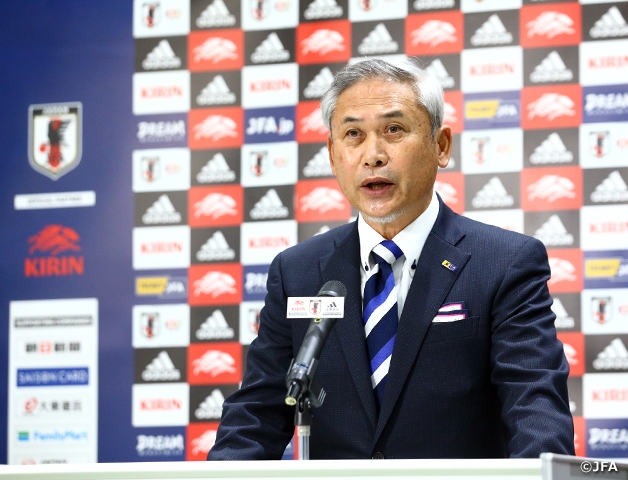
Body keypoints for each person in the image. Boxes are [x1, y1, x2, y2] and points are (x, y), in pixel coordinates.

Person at [208, 58, 574, 460]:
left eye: (394, 130)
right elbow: (255, 417)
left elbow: (535, 410)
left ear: (441, 146)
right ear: (332, 154)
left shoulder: (503, 263)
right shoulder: (298, 271)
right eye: (353, 134)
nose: (373, 155)